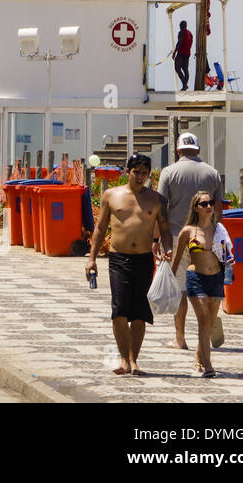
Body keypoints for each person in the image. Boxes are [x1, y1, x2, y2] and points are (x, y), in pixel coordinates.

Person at [85, 154, 173, 376]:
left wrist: (167, 248)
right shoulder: (111, 195)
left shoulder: (157, 199)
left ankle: (134, 360)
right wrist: (92, 258)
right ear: (128, 171)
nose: (140, 177)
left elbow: (165, 229)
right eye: (136, 172)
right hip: (118, 259)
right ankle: (123, 359)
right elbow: (100, 227)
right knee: (120, 311)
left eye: (144, 173)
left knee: (140, 313)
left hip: (144, 259)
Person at [156, 131, 224, 351]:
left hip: (176, 235)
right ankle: (208, 326)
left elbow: (161, 208)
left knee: (181, 288)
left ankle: (180, 338)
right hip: (205, 238)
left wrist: (157, 238)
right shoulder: (212, 173)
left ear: (177, 150)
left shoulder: (169, 172)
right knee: (204, 286)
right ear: (199, 150)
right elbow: (219, 210)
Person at [169, 190, 231, 377]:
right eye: (204, 204)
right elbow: (178, 259)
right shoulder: (188, 231)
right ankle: (209, 365)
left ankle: (199, 356)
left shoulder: (219, 229)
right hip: (196, 278)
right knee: (203, 321)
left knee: (210, 323)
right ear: (195, 208)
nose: (209, 206)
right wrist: (169, 281)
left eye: (210, 203)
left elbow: (227, 253)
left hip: (216, 279)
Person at [173, 20, 193, 92]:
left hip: (181, 53)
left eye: (180, 26)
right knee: (185, 69)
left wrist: (175, 52)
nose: (180, 27)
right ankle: (185, 86)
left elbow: (179, 42)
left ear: (182, 26)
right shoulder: (190, 34)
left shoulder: (181, 32)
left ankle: (184, 84)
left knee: (177, 68)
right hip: (187, 54)